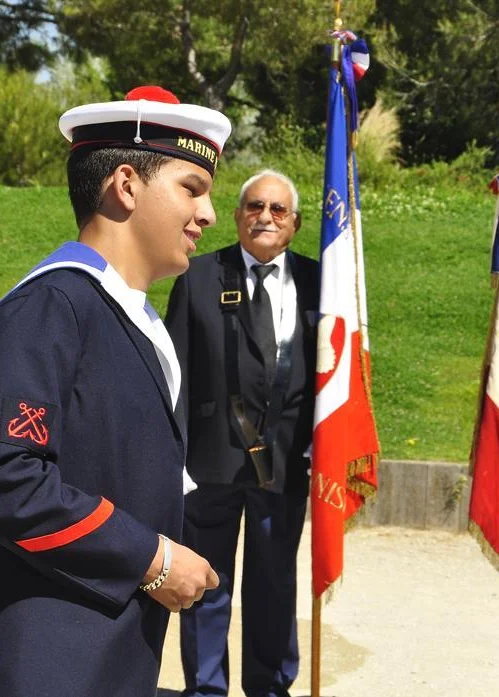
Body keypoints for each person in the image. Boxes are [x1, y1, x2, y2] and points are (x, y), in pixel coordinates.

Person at [0, 86, 231, 697]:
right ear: (125, 185)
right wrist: (152, 559)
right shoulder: (51, 305)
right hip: (36, 660)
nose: (208, 215)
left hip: (98, 653)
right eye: (191, 189)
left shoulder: (127, 317)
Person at [165, 169, 319, 697]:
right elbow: (175, 373)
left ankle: (270, 686)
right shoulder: (198, 275)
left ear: (295, 223)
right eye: (255, 207)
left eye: (278, 210)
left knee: (274, 584)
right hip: (209, 463)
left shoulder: (322, 282)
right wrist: (174, 457)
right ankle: (206, 689)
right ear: (236, 216)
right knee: (206, 586)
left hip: (287, 461)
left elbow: (337, 374)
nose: (266, 217)